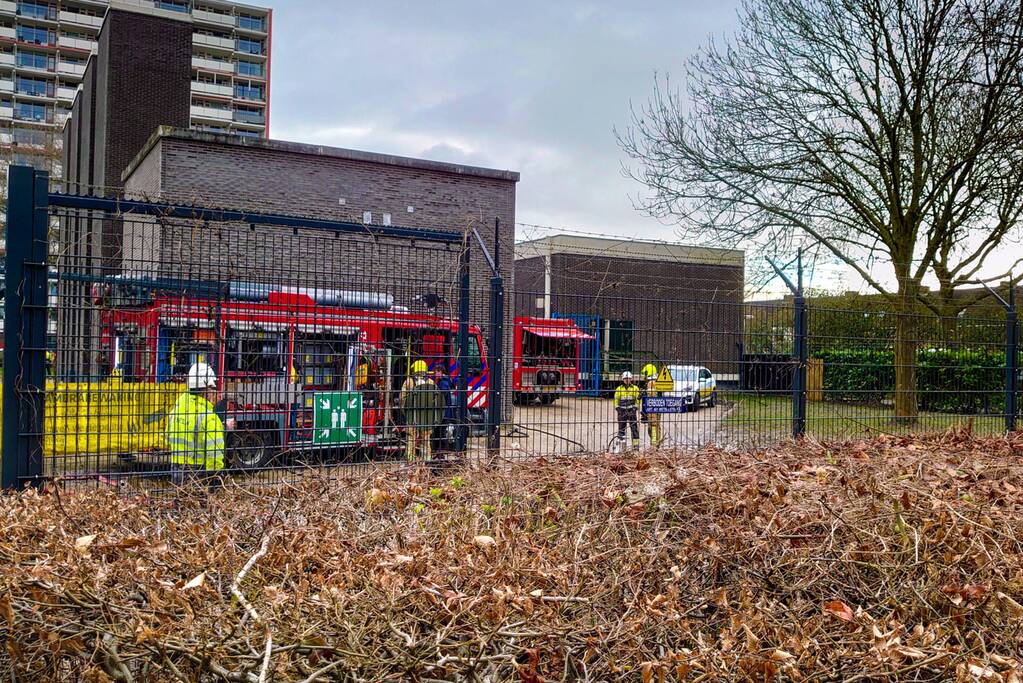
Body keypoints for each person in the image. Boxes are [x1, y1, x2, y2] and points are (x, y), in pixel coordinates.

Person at [166, 362, 226, 487]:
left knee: (182, 503)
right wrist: (215, 477)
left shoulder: (177, 408)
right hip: (198, 472)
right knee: (198, 505)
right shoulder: (208, 417)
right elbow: (214, 452)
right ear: (207, 389)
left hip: (177, 467)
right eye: (211, 388)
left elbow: (168, 436)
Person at [400, 360, 443, 461]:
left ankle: (410, 460)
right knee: (426, 440)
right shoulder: (431, 382)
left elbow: (403, 398)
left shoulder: (409, 382)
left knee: (411, 438)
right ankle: (427, 459)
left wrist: (405, 413)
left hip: (412, 415)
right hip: (426, 417)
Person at [614, 370, 641, 451]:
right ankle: (621, 447)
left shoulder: (635, 388)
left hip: (631, 411)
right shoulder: (619, 388)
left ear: (631, 379)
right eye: (625, 378)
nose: (627, 380)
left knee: (634, 429)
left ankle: (636, 446)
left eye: (628, 378)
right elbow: (616, 399)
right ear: (623, 379)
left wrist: (635, 408)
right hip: (621, 411)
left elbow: (638, 399)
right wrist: (617, 408)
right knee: (621, 430)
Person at [641, 363, 662, 449]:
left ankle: (654, 445)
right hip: (656, 409)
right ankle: (656, 444)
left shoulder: (651, 383)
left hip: (652, 409)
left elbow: (650, 398)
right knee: (656, 426)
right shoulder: (657, 381)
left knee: (653, 427)